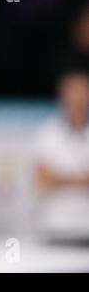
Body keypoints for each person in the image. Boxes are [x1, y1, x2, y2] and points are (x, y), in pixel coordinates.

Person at [34, 71, 89, 241]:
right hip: (57, 224)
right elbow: (43, 180)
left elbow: (51, 178)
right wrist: (83, 180)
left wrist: (60, 178)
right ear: (63, 96)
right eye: (73, 92)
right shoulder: (48, 133)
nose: (78, 98)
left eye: (83, 91)